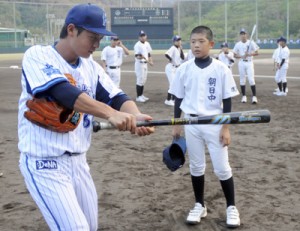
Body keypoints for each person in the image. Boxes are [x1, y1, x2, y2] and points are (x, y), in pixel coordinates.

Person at [18, 4, 154, 231]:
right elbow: (65, 93)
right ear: (71, 29)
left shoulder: (91, 67)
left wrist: (136, 116)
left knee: (90, 227)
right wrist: (111, 114)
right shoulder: (38, 55)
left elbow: (117, 96)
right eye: (92, 37)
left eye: (99, 38)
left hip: (79, 162)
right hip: (44, 162)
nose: (96, 44)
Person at [169, 25, 240, 228]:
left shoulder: (221, 68)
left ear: (211, 44)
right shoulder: (184, 68)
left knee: (222, 168)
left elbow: (227, 101)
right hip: (191, 123)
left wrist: (225, 127)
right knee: (196, 166)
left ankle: (231, 207)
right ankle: (199, 204)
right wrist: (176, 123)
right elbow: (178, 97)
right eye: (193, 42)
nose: (196, 45)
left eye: (201, 42)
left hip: (214, 123)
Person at [233, 28, 259, 104]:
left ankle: (254, 97)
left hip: (249, 63)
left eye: (244, 34)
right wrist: (241, 56)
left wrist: (249, 54)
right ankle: (244, 96)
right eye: (241, 34)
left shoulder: (251, 42)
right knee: (242, 80)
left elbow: (257, 52)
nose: (243, 35)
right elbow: (234, 55)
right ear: (240, 36)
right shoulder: (238, 44)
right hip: (241, 63)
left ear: (246, 35)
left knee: (251, 79)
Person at [164, 35, 185, 106]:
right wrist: (170, 59)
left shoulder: (179, 48)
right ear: (174, 42)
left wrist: (181, 49)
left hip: (176, 68)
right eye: (177, 40)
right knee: (172, 84)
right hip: (170, 68)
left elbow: (182, 57)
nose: (179, 42)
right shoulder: (173, 48)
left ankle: (173, 99)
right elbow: (166, 54)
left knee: (176, 83)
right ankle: (168, 100)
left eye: (179, 40)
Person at [133, 30, 154, 103]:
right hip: (139, 64)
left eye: (144, 36)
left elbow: (149, 54)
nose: (143, 37)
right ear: (139, 37)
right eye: (141, 36)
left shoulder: (147, 44)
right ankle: (138, 97)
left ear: (146, 36)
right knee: (140, 80)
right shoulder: (137, 45)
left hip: (145, 64)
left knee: (143, 80)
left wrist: (150, 61)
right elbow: (137, 56)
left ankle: (141, 95)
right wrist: (141, 56)